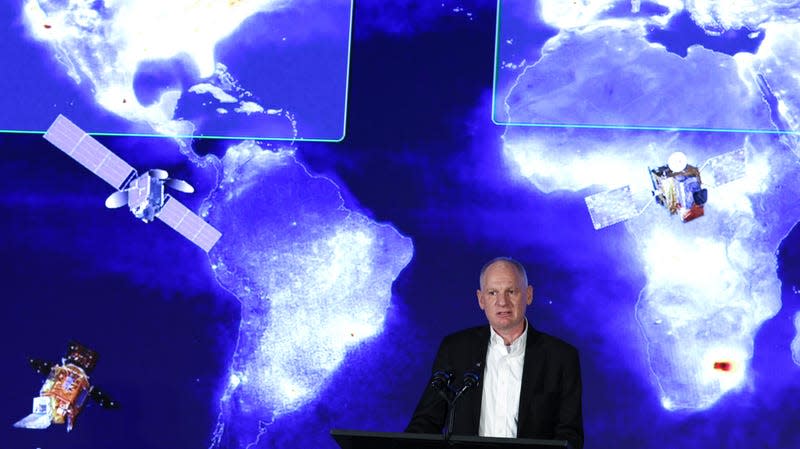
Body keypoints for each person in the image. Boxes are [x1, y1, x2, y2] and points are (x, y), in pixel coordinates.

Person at [405, 257, 584, 449]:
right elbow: (425, 423)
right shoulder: (456, 349)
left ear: (529, 295)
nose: (502, 302)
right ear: (481, 300)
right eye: (492, 293)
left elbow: (569, 435)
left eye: (511, 291)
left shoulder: (561, 357)